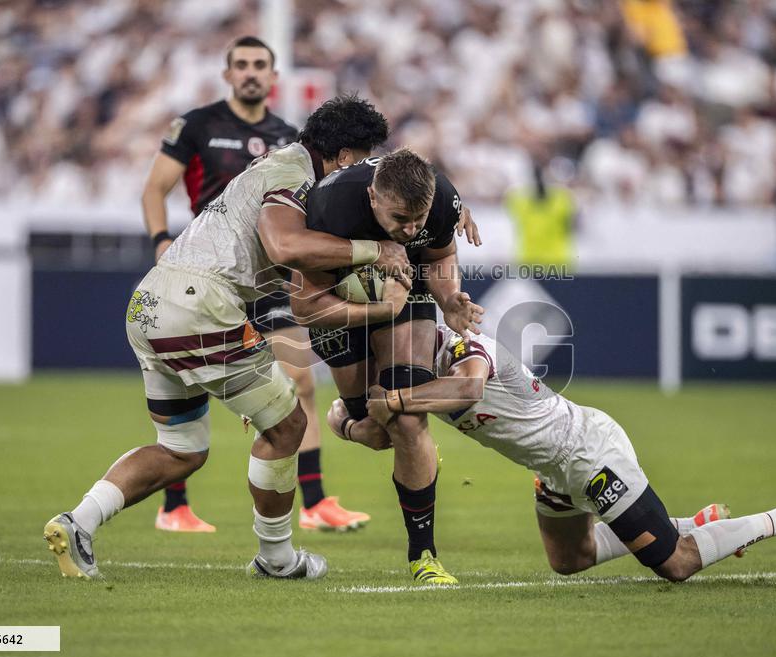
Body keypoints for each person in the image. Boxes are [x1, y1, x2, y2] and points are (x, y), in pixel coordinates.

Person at [43, 95, 410, 580]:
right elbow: (285, 244)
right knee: (286, 427)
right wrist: (372, 250)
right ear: (345, 155)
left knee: (182, 450)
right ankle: (277, 560)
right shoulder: (293, 175)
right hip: (200, 307)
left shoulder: (279, 170)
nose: (365, 174)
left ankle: (77, 523)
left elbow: (278, 260)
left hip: (153, 302)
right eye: (363, 159)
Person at [328, 324, 776, 581]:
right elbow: (382, 434)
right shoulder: (410, 367)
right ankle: (696, 521)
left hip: (587, 453)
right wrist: (348, 423)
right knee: (569, 560)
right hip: (553, 470)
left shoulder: (464, 345)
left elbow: (465, 390)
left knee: (674, 564)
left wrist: (388, 401)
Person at [141, 35, 368, 532]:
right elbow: (155, 186)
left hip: (269, 274)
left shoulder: (294, 138)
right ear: (228, 74)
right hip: (212, 268)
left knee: (301, 377)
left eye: (259, 65)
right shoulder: (199, 125)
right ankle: (174, 503)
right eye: (241, 64)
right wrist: (160, 239)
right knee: (187, 378)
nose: (250, 72)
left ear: (273, 76)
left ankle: (314, 500)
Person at [290, 148, 484, 585]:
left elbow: (438, 256)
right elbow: (304, 307)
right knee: (376, 431)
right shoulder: (330, 207)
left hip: (405, 291)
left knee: (407, 418)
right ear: (374, 198)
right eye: (400, 220)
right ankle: (345, 420)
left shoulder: (439, 199)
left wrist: (448, 297)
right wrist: (377, 309)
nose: (411, 228)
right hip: (336, 305)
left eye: (418, 219)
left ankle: (424, 557)